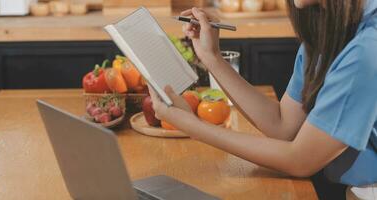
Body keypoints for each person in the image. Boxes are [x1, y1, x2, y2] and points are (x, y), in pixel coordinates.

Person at [148, 0, 377, 199]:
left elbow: (301, 160)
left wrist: (193, 127)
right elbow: (282, 124)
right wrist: (212, 57)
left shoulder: (367, 48)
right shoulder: (327, 27)